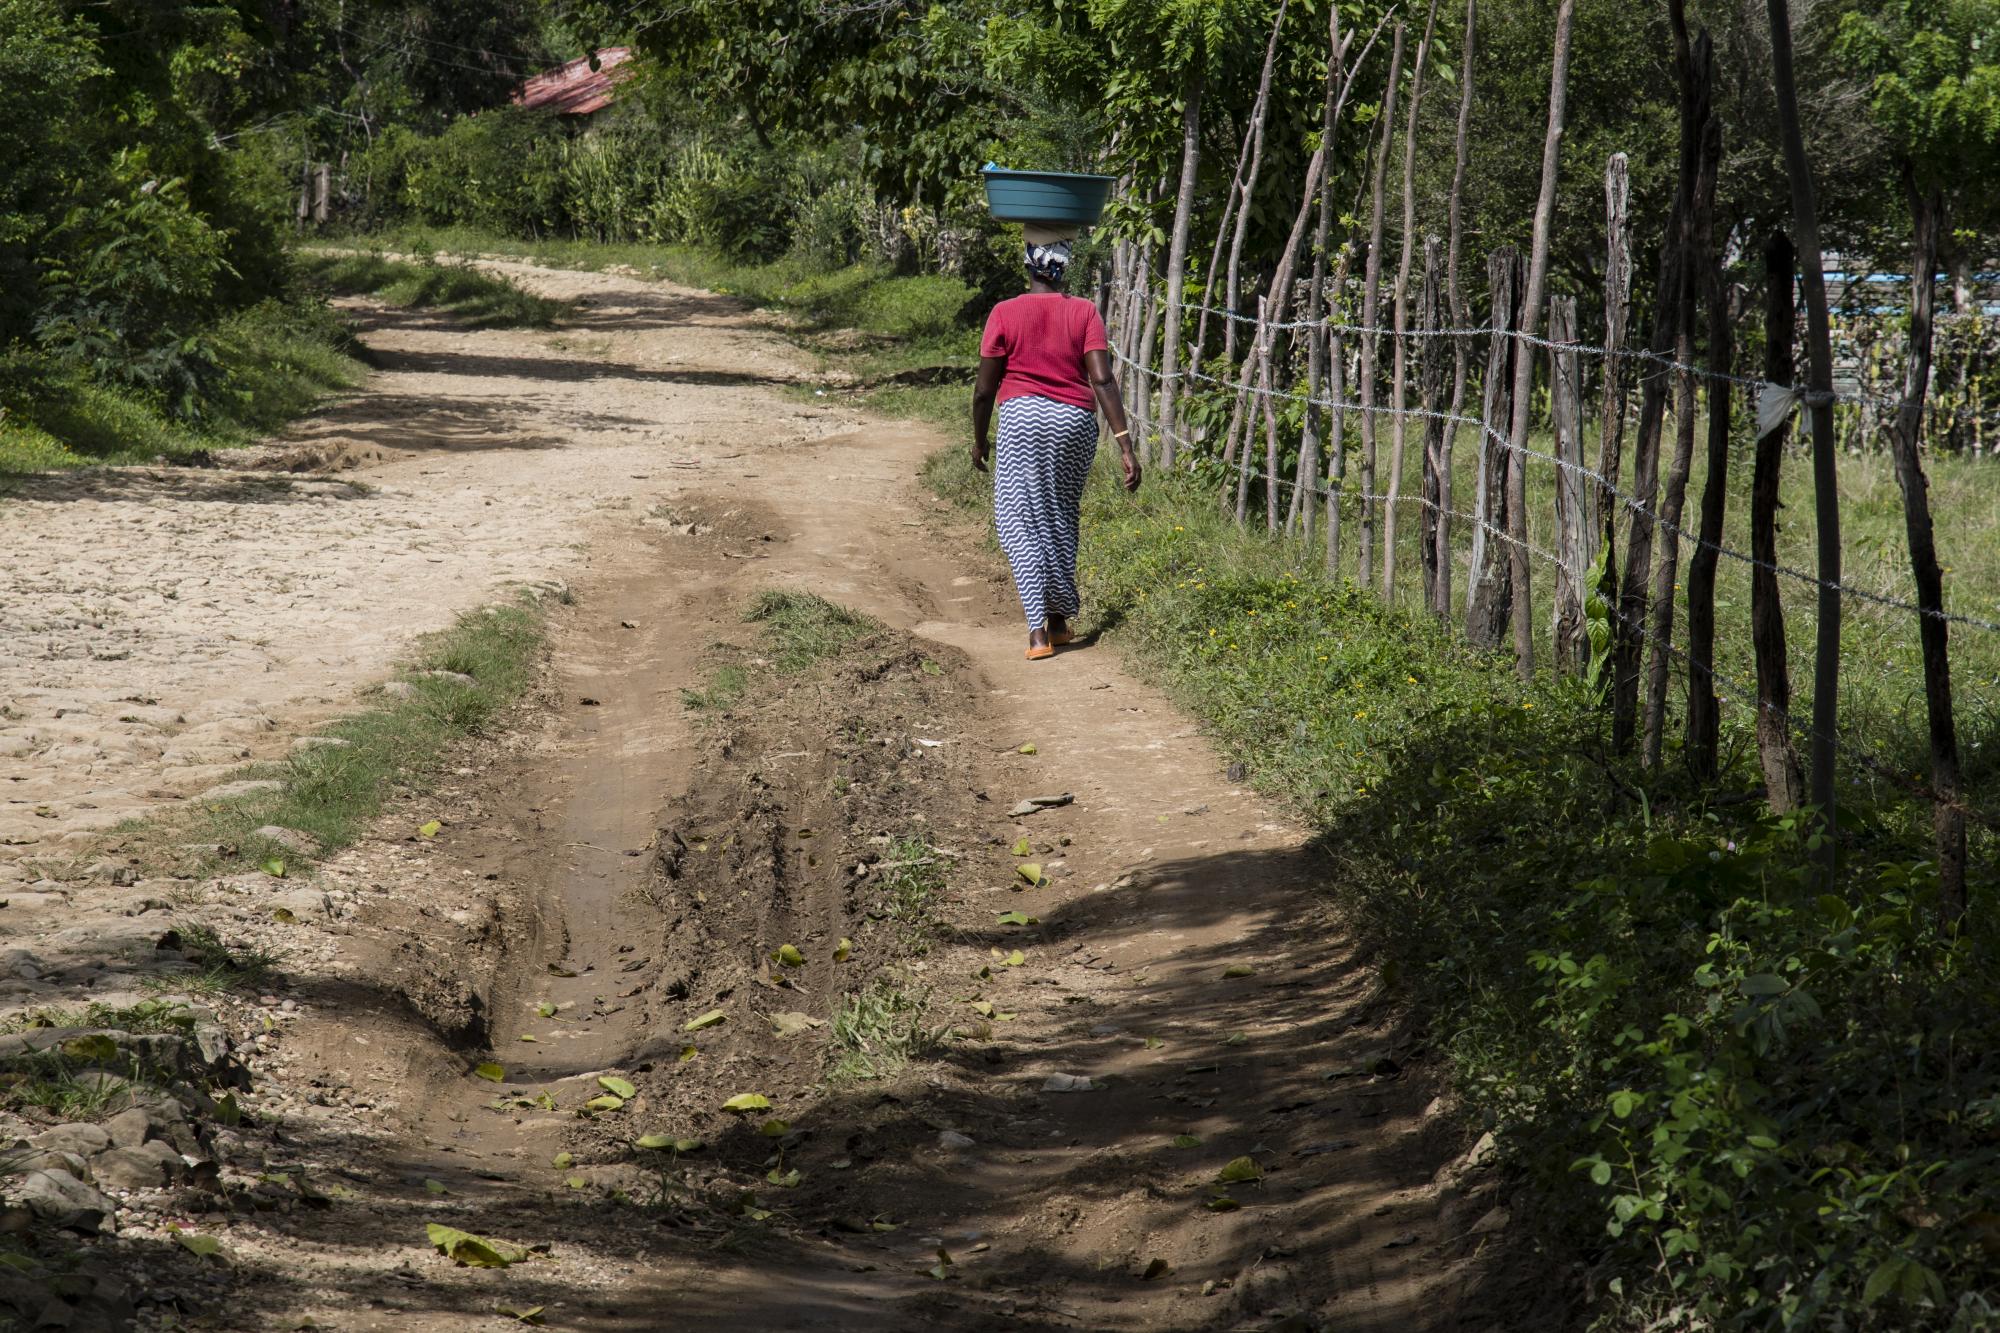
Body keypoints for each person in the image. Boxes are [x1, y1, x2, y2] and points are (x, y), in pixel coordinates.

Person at [971, 235, 1141, 661]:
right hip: (1075, 423)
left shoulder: (1005, 312)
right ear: (1064, 268)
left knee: (1018, 521)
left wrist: (979, 438)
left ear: (1027, 268)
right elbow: (1102, 380)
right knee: (1060, 514)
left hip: (1023, 420)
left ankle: (1036, 632)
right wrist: (1124, 443)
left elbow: (983, 389)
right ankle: (1061, 621)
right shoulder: (1083, 311)